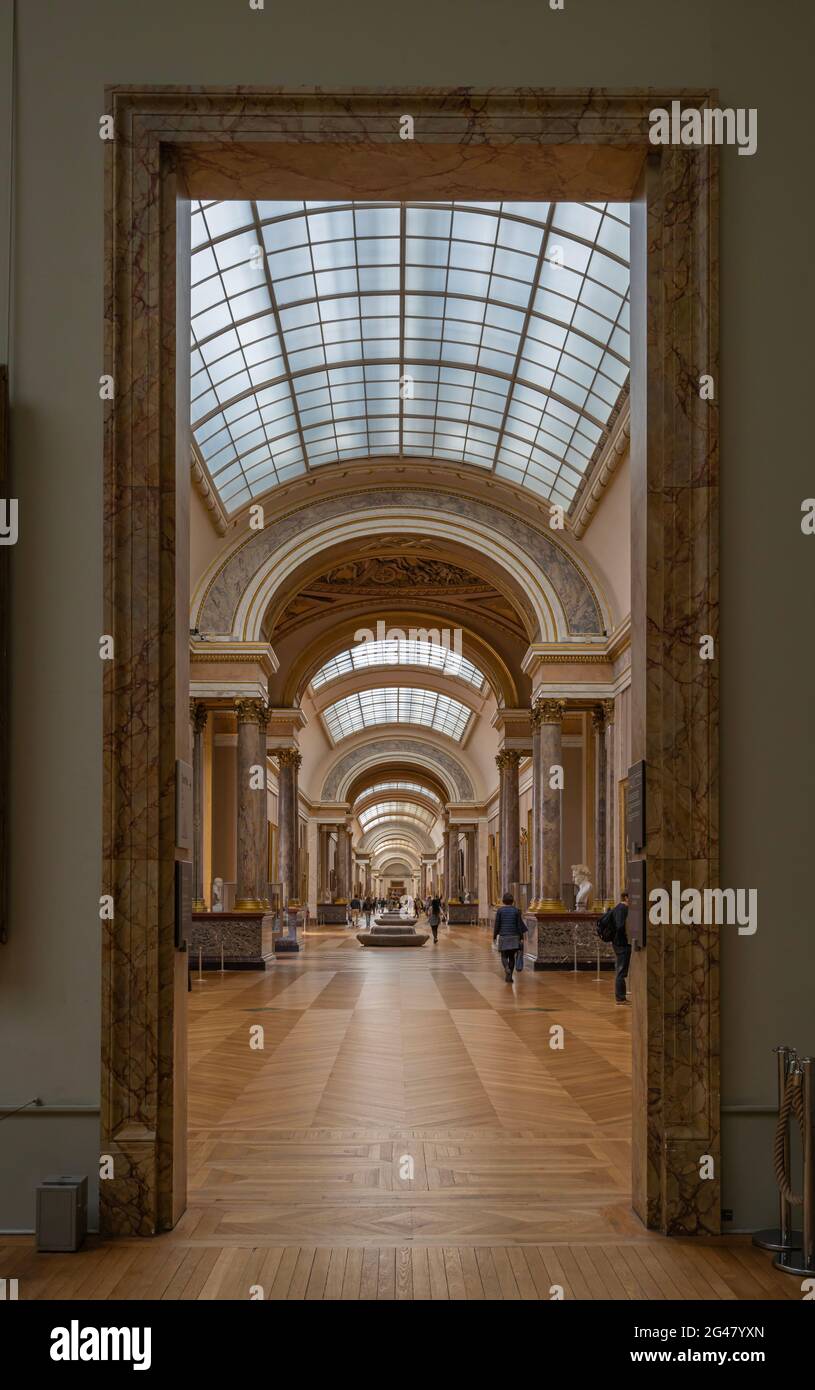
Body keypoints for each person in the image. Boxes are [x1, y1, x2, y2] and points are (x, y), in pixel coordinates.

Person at [492, 892, 528, 983]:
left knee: (504, 955)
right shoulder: (516, 911)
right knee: (512, 957)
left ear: (503, 901)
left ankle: (506, 968)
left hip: (504, 936)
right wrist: (521, 937)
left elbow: (497, 924)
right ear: (512, 901)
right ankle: (510, 977)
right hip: (514, 936)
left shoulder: (500, 911)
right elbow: (519, 925)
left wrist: (495, 936)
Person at [610, 891, 630, 1004]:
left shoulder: (619, 908)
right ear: (626, 897)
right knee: (621, 971)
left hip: (619, 942)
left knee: (620, 969)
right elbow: (620, 926)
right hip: (621, 943)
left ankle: (621, 996)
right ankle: (620, 997)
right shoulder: (622, 909)